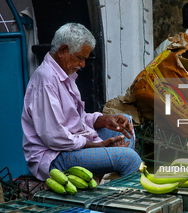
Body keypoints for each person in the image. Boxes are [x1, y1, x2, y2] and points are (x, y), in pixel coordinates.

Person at [21, 23, 142, 181]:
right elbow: (55, 137)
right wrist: (97, 145)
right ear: (63, 50)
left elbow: (76, 119)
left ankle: (113, 185)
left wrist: (104, 120)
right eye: (80, 58)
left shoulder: (64, 74)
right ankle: (123, 195)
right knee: (129, 158)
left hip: (68, 145)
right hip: (54, 157)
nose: (83, 64)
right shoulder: (47, 80)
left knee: (124, 125)